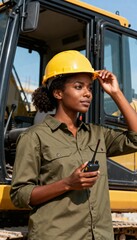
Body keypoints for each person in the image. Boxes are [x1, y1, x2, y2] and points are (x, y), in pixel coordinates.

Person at [10, 50, 137, 240]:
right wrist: (68, 183)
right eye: (79, 87)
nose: (87, 93)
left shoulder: (97, 134)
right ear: (58, 92)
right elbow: (20, 195)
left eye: (90, 88)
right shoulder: (34, 137)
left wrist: (116, 92)